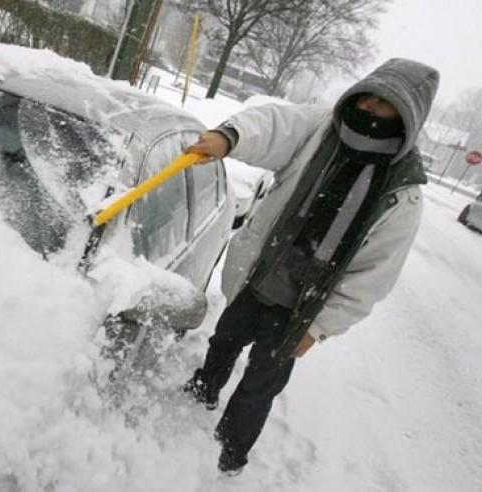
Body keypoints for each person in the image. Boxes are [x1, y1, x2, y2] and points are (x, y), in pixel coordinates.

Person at [182, 58, 439, 475]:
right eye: (368, 96)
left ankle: (230, 455)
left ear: (408, 115)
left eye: (385, 104)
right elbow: (272, 125)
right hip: (259, 280)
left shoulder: (401, 194)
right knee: (224, 340)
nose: (370, 108)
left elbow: (373, 277)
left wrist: (319, 329)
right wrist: (229, 137)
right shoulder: (321, 130)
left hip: (299, 311)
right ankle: (204, 388)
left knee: (260, 387)